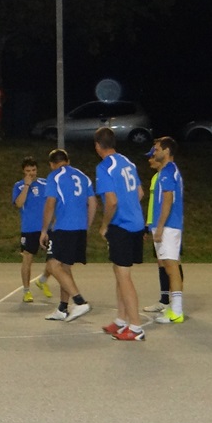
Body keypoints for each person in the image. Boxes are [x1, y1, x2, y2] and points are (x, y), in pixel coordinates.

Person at [94, 127, 147, 341]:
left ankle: (136, 327)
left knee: (124, 277)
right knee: (119, 271)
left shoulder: (104, 167)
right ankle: (121, 320)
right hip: (136, 223)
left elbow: (112, 201)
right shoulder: (128, 162)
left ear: (97, 146)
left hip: (121, 226)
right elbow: (140, 193)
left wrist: (105, 225)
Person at [39, 149, 97, 322]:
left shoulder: (54, 176)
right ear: (68, 161)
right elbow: (93, 202)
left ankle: (79, 301)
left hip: (64, 227)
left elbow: (50, 203)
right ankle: (62, 308)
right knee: (65, 267)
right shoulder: (83, 176)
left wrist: (44, 230)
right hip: (80, 228)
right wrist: (87, 226)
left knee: (52, 265)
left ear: (52, 164)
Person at [148, 136, 185, 324]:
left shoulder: (168, 171)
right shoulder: (167, 171)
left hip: (169, 226)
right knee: (167, 265)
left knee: (171, 266)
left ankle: (177, 310)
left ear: (166, 151)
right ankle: (173, 308)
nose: (154, 152)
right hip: (167, 225)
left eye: (157, 149)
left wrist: (160, 226)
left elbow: (168, 199)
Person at [12, 157, 52, 303]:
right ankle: (26, 290)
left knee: (54, 259)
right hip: (29, 228)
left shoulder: (45, 183)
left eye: (33, 170)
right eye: (28, 171)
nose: (31, 173)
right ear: (23, 171)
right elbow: (18, 203)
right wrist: (27, 186)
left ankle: (42, 280)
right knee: (27, 258)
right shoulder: (18, 186)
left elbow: (52, 202)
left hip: (47, 227)